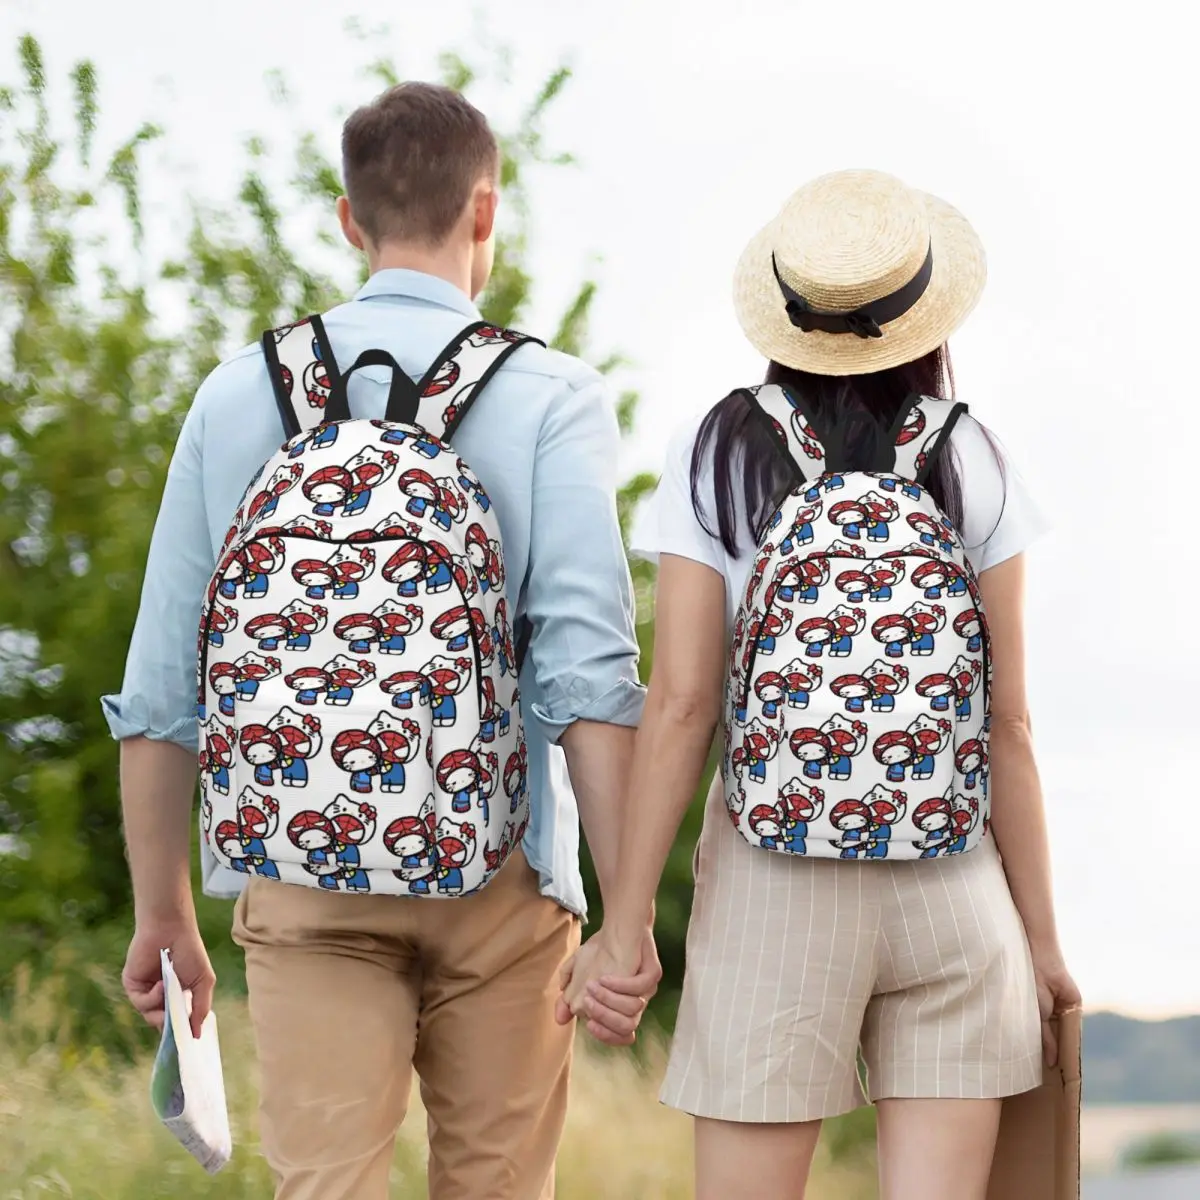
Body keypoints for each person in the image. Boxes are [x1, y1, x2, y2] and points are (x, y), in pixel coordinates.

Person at [103, 81, 660, 1200]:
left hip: (302, 873)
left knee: (326, 1186)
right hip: (503, 875)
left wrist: (162, 912)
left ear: (349, 220)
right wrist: (627, 915)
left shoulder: (236, 395)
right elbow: (590, 678)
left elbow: (164, 685)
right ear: (486, 213)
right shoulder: (551, 394)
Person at [559, 169, 1081, 1200]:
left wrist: (624, 928)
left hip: (773, 884)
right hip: (954, 885)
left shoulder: (718, 450)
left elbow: (682, 705)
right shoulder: (973, 455)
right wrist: (1043, 944)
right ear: (925, 314)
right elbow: (1009, 723)